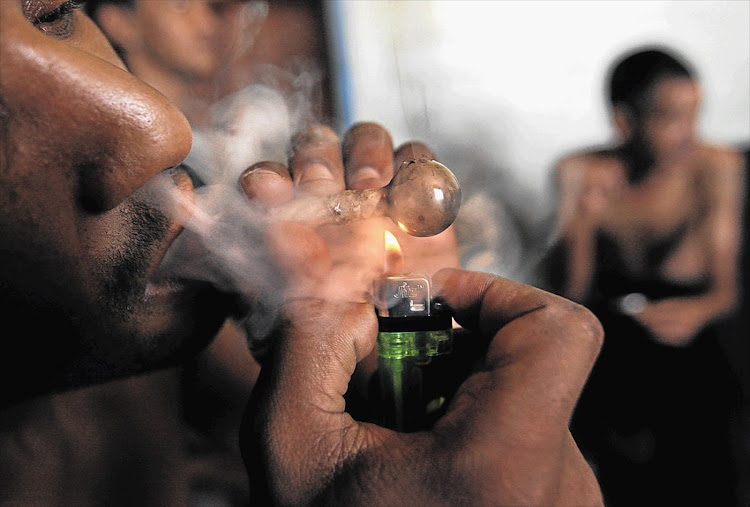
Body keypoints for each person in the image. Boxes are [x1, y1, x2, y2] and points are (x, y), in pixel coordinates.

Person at [0, 1, 603, 505]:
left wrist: (396, 377)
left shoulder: (146, 337)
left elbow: (318, 433)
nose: (162, 130)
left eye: (50, 10)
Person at [547, 46, 745, 506]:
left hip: (695, 338)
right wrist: (583, 221)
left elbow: (724, 292)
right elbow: (572, 293)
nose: (688, 135)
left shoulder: (716, 169)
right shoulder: (579, 171)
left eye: (695, 116)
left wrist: (691, 314)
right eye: (671, 119)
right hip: (616, 334)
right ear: (624, 121)